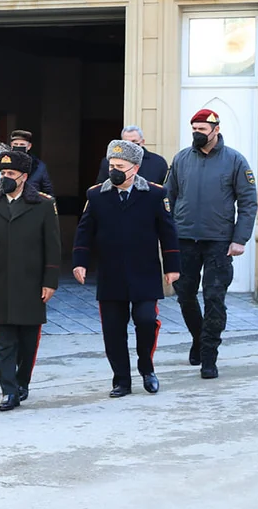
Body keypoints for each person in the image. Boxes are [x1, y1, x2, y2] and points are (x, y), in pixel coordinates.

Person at [72, 140, 181, 397]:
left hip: (145, 271)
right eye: (111, 166)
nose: (114, 171)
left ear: (135, 168)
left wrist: (172, 266)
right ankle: (121, 379)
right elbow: (84, 231)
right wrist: (79, 262)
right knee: (113, 329)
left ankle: (147, 367)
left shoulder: (154, 194)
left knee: (146, 320)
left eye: (120, 167)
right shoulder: (96, 195)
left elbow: (168, 232)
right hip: (111, 273)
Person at [165, 109, 258, 379]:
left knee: (214, 298)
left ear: (216, 130)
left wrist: (239, 239)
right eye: (194, 129)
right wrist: (167, 233)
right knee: (184, 295)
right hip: (185, 238)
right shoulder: (181, 159)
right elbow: (168, 198)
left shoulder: (235, 161)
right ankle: (199, 337)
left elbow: (248, 202)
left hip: (219, 241)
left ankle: (209, 356)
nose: (197, 134)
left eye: (202, 130)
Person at [0, 150, 61, 412]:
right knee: (5, 342)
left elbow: (52, 246)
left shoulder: (43, 205)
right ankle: (8, 391)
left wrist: (50, 281)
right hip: (0, 283)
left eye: (11, 173)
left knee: (27, 341)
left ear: (24, 176)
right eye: (3, 172)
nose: (5, 177)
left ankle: (22, 382)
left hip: (31, 283)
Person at [96, 125, 168, 185]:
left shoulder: (158, 162)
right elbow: (101, 187)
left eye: (134, 142)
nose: (130, 146)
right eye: (126, 142)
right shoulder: (109, 162)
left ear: (142, 142)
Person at [9, 130, 54, 196]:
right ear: (11, 145)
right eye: (15, 144)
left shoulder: (39, 166)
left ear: (29, 146)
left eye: (22, 145)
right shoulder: (4, 163)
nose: (18, 147)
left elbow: (48, 191)